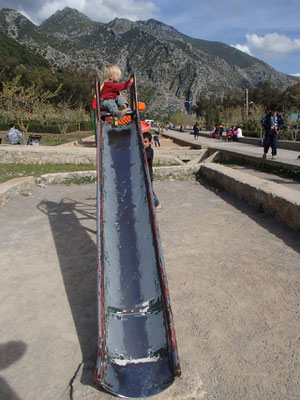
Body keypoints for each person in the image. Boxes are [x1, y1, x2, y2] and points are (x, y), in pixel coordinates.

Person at [143, 131, 161, 211]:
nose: (143, 143)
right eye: (142, 141)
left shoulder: (149, 150)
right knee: (147, 190)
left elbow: (145, 157)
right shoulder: (143, 150)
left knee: (150, 191)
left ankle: (157, 204)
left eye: (145, 142)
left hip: (148, 175)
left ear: (150, 142)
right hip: (144, 174)